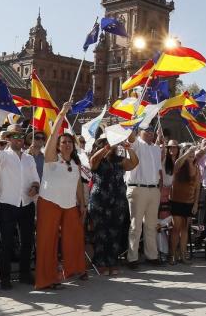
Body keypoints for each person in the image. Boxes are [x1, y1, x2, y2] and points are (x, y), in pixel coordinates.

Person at [34, 104, 88, 290]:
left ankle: (74, 269)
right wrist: (61, 116)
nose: (66, 144)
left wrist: (82, 203)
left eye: (69, 142)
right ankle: (46, 279)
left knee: (74, 237)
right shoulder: (51, 159)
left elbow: (78, 185)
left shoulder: (74, 162)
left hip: (70, 205)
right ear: (58, 145)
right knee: (47, 241)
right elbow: (50, 140)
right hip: (49, 202)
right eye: (63, 142)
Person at [0, 124, 41, 289]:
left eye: (21, 136)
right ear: (9, 138)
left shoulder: (29, 158)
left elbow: (35, 178)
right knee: (6, 243)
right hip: (7, 204)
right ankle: (5, 278)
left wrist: (35, 187)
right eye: (15, 136)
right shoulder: (3, 156)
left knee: (27, 241)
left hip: (26, 204)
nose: (19, 139)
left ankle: (25, 274)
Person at [88, 132, 138, 275]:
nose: (112, 147)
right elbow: (93, 160)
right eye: (105, 144)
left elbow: (134, 163)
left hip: (117, 200)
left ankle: (112, 261)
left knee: (115, 232)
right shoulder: (97, 160)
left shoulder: (119, 160)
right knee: (101, 232)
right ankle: (99, 262)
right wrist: (106, 148)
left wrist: (129, 149)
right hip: (100, 200)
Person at [125, 126, 163, 269]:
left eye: (151, 130)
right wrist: (133, 121)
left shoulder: (156, 148)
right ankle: (132, 258)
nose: (149, 132)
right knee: (136, 226)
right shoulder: (136, 144)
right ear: (139, 131)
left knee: (151, 225)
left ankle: (152, 256)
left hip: (153, 189)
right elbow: (130, 138)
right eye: (146, 129)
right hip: (138, 188)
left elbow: (158, 170)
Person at [168, 145, 201, 264]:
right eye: (189, 154)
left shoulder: (196, 167)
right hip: (176, 201)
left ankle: (182, 255)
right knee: (176, 229)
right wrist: (187, 152)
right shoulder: (179, 165)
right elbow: (177, 163)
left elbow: (198, 187)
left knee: (185, 229)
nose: (192, 155)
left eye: (193, 154)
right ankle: (172, 255)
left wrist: (196, 204)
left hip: (189, 202)